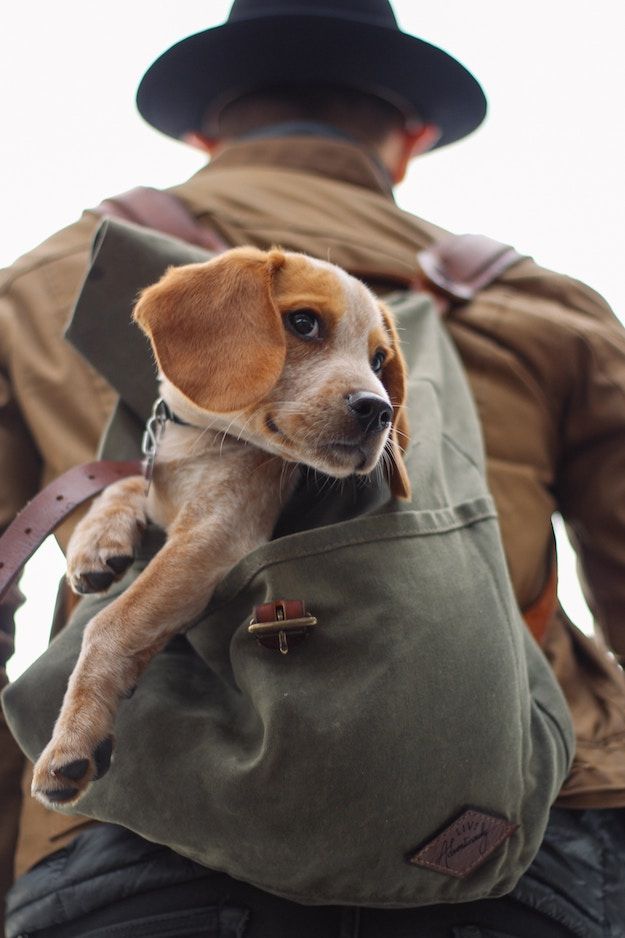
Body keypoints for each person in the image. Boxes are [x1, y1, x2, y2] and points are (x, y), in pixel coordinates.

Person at [2, 1, 625, 935]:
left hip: (137, 832)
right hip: (508, 841)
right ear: (409, 140)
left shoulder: (57, 278)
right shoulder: (545, 307)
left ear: (205, 129)